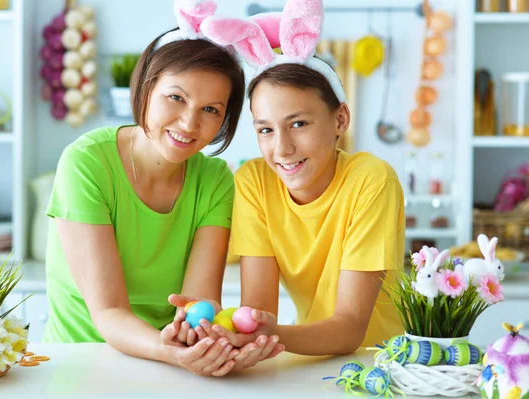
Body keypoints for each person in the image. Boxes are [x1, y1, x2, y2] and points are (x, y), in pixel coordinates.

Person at [43, 0, 281, 377]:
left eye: (211, 110)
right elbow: (109, 313)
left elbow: (197, 304)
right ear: (146, 87)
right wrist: (169, 350)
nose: (189, 123)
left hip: (167, 365)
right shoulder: (86, 163)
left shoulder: (215, 180)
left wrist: (203, 338)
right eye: (176, 97)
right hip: (81, 361)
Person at [171, 0, 404, 357]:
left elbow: (350, 328)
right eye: (265, 130)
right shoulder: (254, 181)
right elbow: (260, 313)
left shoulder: (370, 180)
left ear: (340, 119)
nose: (282, 148)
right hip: (310, 361)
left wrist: (268, 336)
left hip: (384, 361)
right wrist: (233, 329)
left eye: (298, 124)